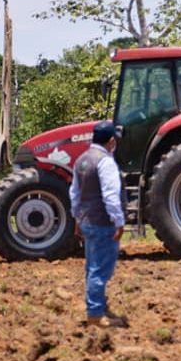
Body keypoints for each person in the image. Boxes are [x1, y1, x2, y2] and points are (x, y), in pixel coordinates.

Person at [70, 120, 128, 328]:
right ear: (111, 141)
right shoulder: (106, 162)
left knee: (92, 266)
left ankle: (99, 306)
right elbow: (111, 196)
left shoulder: (82, 160)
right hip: (103, 222)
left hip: (86, 221)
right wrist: (119, 221)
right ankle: (95, 314)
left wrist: (77, 219)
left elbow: (75, 194)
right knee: (100, 268)